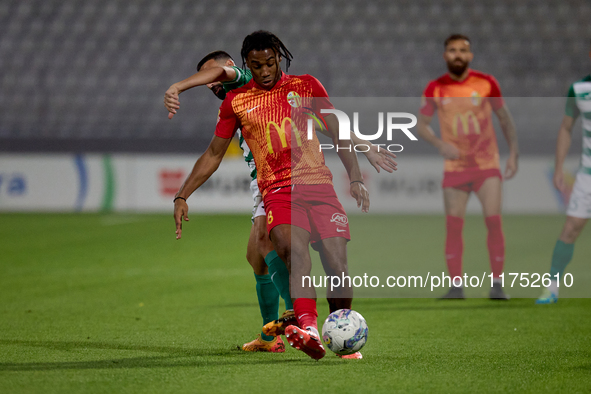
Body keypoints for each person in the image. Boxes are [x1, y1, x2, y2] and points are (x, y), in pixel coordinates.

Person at [171, 32, 379, 360]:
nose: (264, 70)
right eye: (256, 66)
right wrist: (182, 195)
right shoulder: (236, 101)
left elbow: (335, 127)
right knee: (284, 253)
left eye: (269, 63)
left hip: (318, 186)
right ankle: (306, 326)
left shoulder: (299, 85)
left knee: (335, 265)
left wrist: (356, 174)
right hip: (276, 189)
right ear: (247, 65)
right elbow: (213, 154)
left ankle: (320, 326)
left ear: (279, 58)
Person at [417, 34, 519, 300]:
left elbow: (505, 118)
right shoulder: (436, 88)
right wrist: (440, 144)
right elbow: (420, 125)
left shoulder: (486, 83)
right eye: (452, 50)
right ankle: (456, 287)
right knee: (453, 226)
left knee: (494, 222)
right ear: (445, 55)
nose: (458, 54)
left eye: (463, 50)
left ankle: (497, 285)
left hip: (486, 165)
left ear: (470, 55)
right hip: (455, 168)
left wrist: (514, 153)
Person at [536, 44, 591, 304]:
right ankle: (552, 287)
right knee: (571, 229)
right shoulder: (579, 90)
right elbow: (566, 128)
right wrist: (559, 166)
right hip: (587, 175)